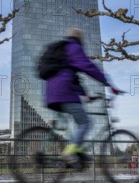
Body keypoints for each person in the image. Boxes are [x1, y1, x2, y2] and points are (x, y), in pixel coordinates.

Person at [44, 28, 121, 168]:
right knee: (86, 123)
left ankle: (77, 153)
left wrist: (85, 96)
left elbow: (73, 78)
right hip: (64, 93)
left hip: (52, 93)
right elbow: (89, 67)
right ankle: (70, 152)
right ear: (80, 39)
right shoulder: (73, 48)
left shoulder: (63, 51)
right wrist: (108, 83)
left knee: (77, 123)